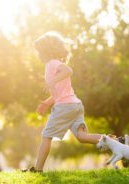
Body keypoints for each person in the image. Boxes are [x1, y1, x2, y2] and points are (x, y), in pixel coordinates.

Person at [23, 31, 102, 172]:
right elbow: (60, 93)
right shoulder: (53, 64)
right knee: (82, 137)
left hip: (65, 107)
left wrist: (52, 81)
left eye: (39, 52)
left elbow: (68, 70)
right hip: (75, 105)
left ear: (46, 52)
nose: (38, 55)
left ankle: (38, 169)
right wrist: (47, 103)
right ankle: (115, 141)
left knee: (46, 136)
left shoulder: (52, 63)